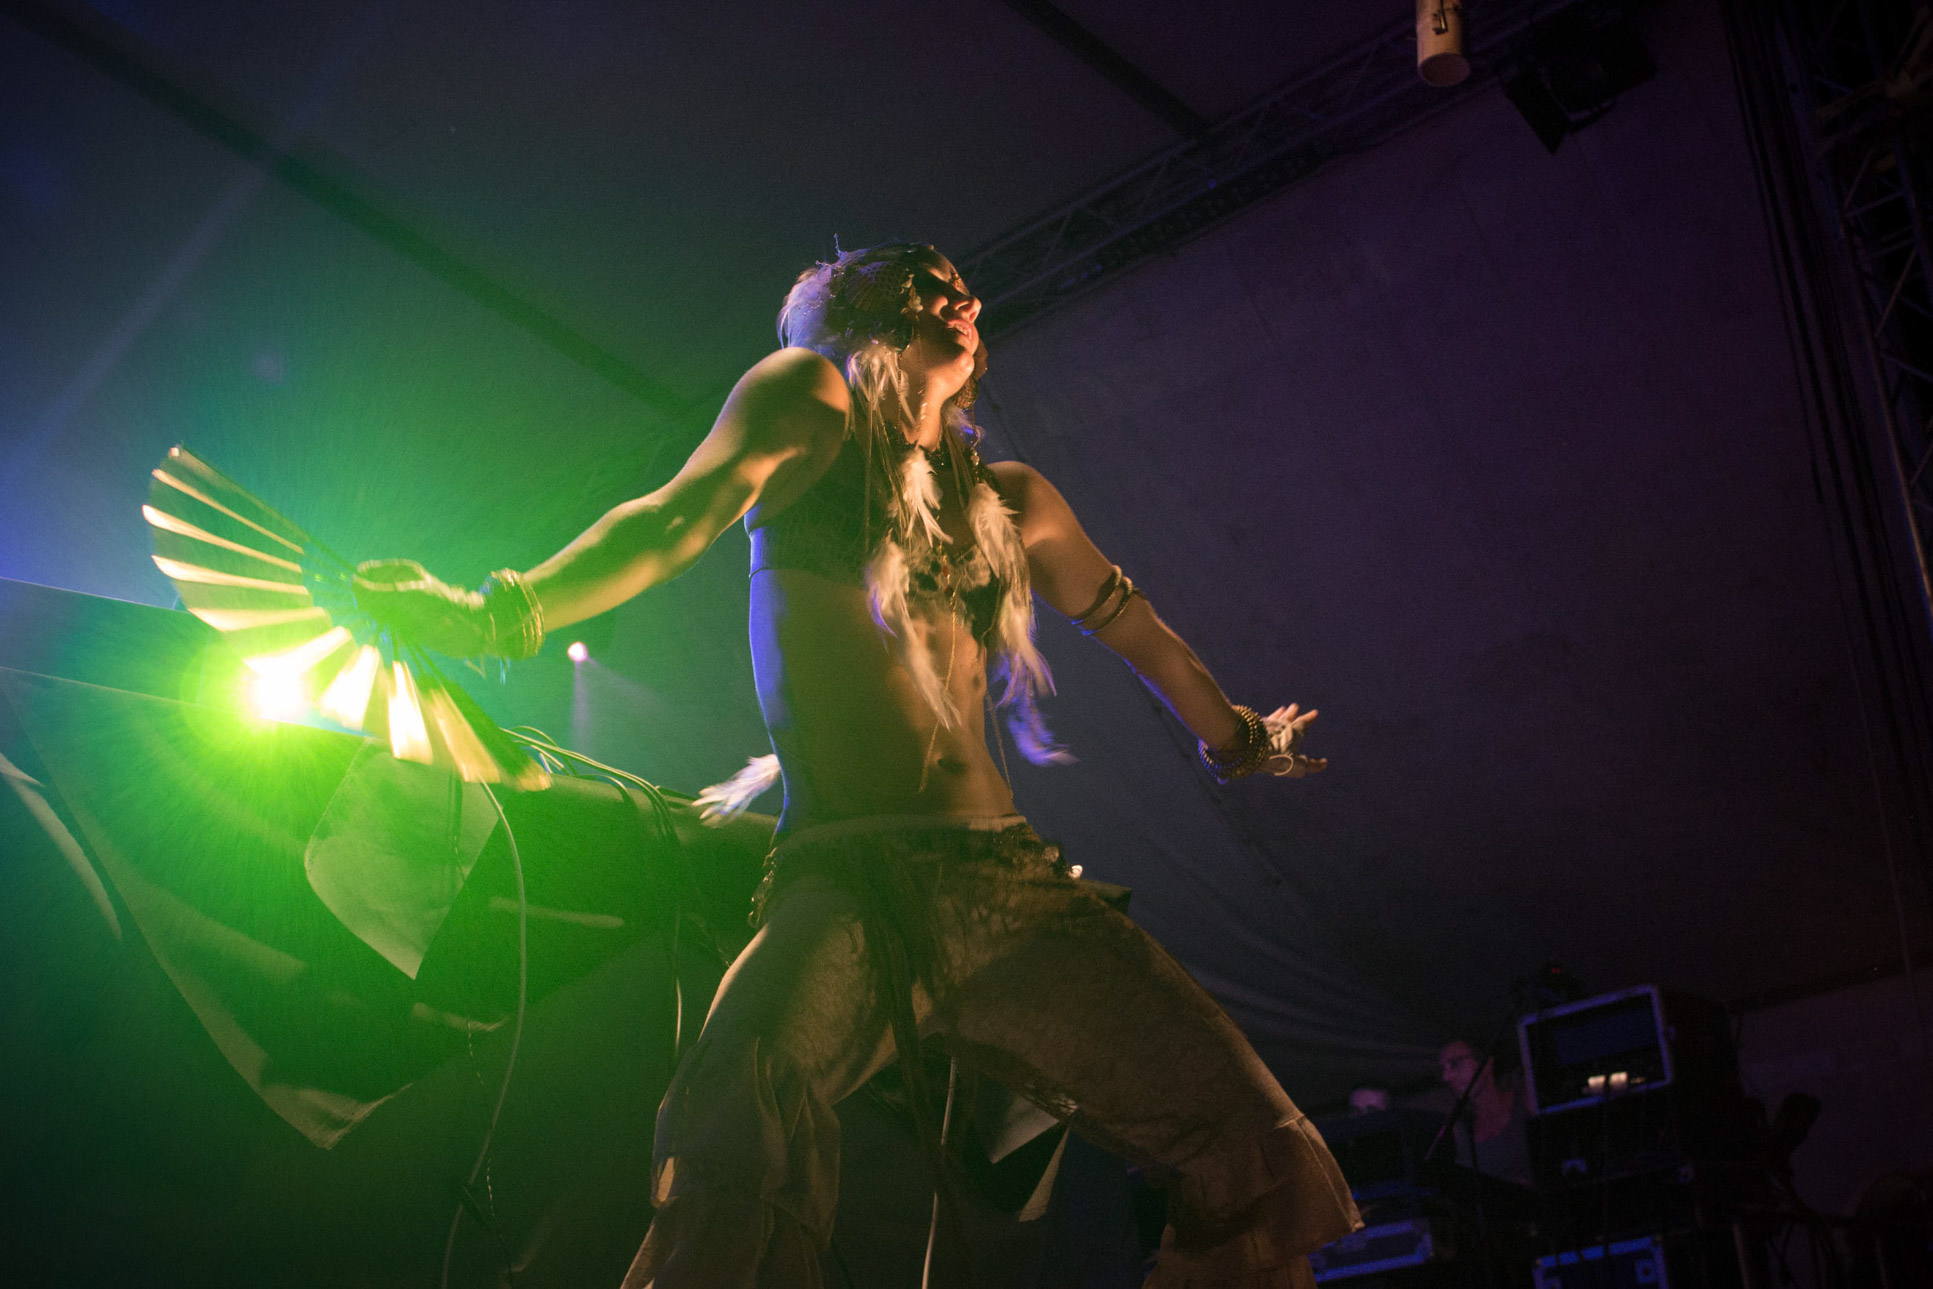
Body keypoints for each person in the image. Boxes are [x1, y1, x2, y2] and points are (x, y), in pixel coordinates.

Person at [356, 243, 1360, 1288]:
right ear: (848, 315)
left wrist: (1237, 736)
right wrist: (494, 615)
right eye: (924, 286)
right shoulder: (808, 400)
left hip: (1006, 890)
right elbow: (670, 518)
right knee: (732, 1131)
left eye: (963, 286)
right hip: (848, 886)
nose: (960, 299)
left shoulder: (1011, 497)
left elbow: (1135, 627)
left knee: (1250, 1140)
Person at [1436, 1039, 1533, 1188]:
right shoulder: (1455, 1128)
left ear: (1487, 1064)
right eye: (1443, 1069)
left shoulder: (1527, 1102)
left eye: (1455, 1064)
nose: (1446, 1077)